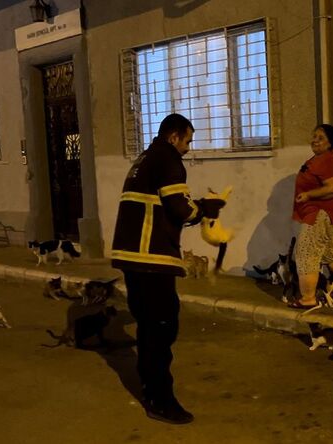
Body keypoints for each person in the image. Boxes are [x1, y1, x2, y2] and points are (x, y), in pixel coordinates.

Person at [111, 113, 224, 425]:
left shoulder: (144, 159)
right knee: (161, 328)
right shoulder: (168, 157)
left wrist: (197, 205)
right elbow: (179, 207)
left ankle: (151, 389)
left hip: (133, 257)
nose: (188, 148)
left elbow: (165, 201)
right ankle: (160, 399)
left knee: (149, 327)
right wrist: (204, 209)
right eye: (187, 141)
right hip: (151, 258)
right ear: (174, 137)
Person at [288, 124, 333, 308]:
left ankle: (307, 299)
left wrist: (309, 195)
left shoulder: (327, 160)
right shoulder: (322, 159)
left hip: (321, 215)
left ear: (330, 143)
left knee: (306, 254)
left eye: (321, 138)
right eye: (314, 136)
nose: (315, 140)